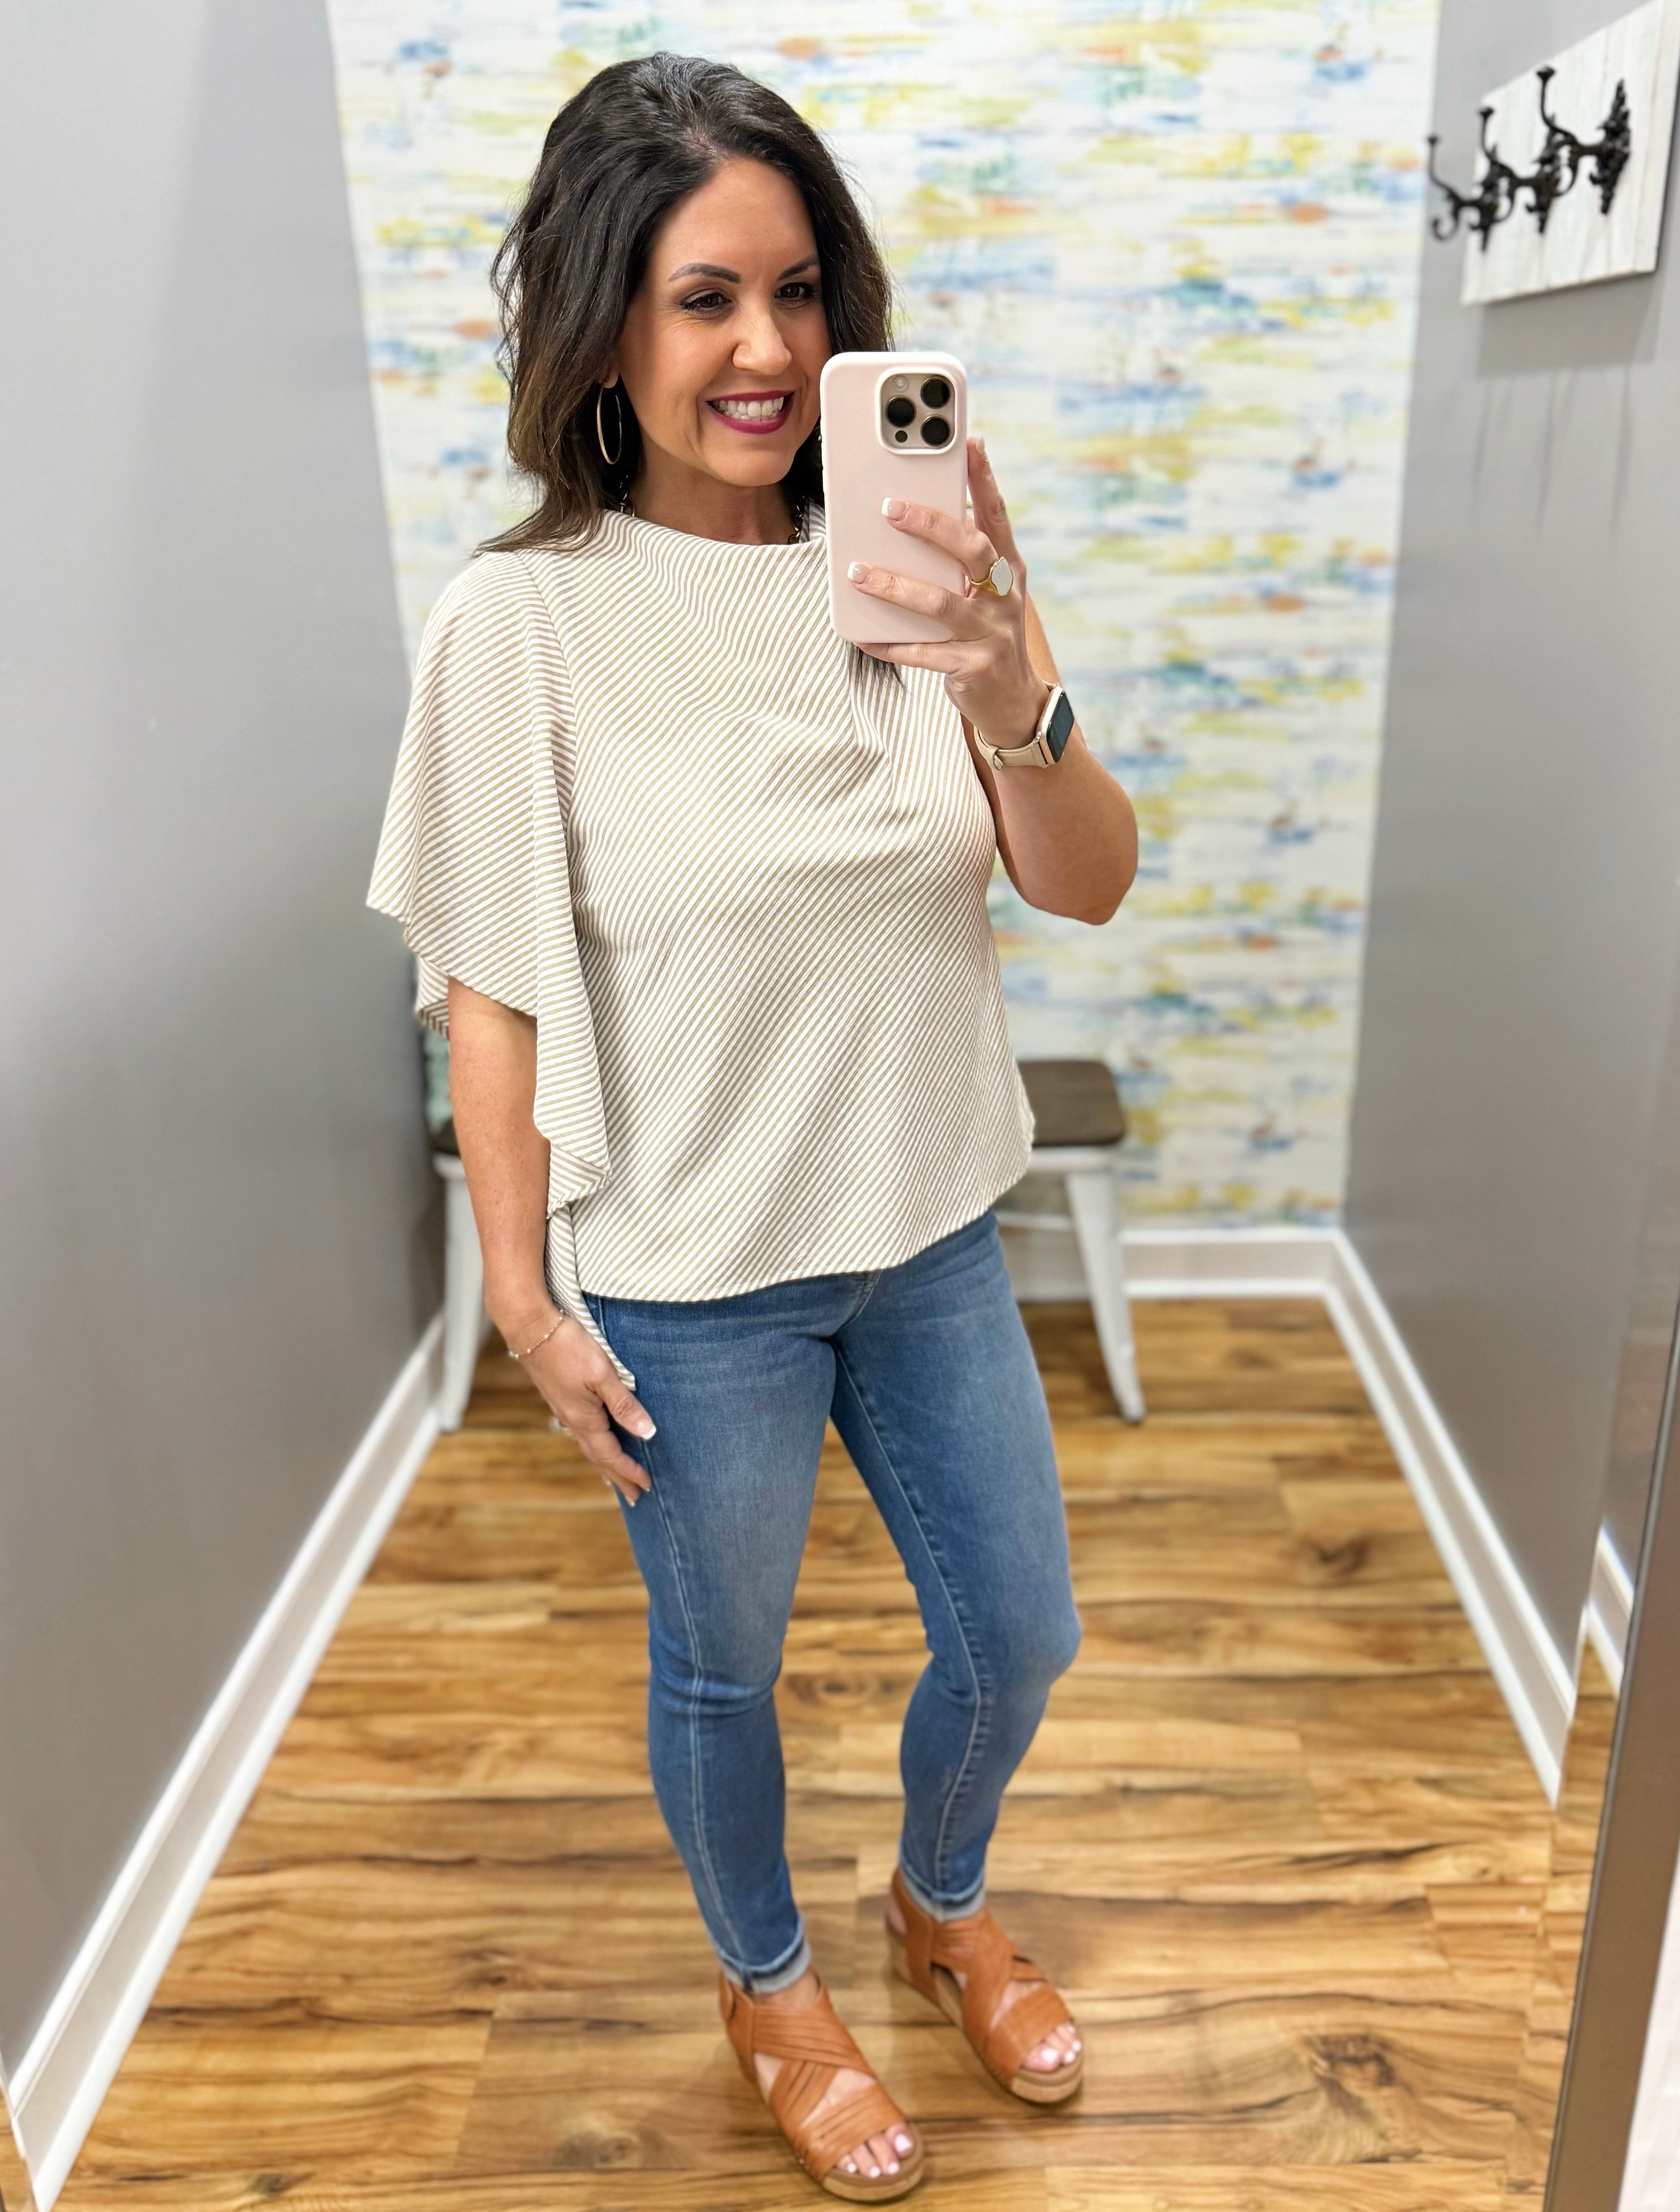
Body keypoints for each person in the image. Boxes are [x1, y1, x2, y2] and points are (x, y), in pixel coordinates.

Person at [368, 51, 1137, 2203]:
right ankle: (771, 1979)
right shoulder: (519, 622)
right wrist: (522, 1290)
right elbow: (495, 986)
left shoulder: (921, 560)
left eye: (801, 293)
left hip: (930, 1231)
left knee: (1024, 1630)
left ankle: (939, 1897)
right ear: (608, 324)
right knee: (723, 1666)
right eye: (708, 298)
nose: (772, 352)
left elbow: (1078, 877)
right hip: (691, 1276)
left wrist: (1007, 683)